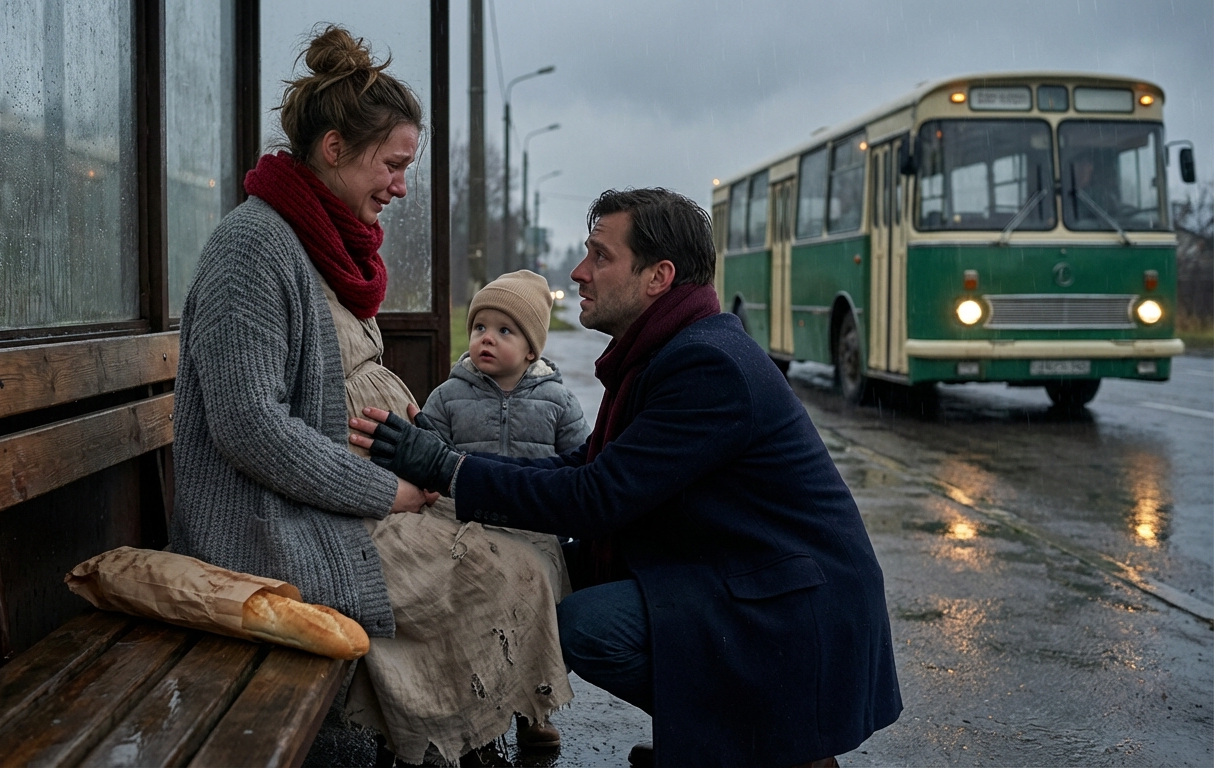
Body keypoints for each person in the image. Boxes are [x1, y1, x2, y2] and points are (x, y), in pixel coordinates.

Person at [352, 188, 903, 767]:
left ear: (658, 276)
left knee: (585, 624)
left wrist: (444, 467)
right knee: (558, 575)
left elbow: (597, 497)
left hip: (793, 609)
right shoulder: (669, 349)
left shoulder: (706, 365)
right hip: (744, 574)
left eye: (600, 255)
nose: (579, 271)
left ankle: (773, 747)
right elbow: (588, 465)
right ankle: (727, 738)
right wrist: (456, 470)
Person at [169, 26, 571, 765]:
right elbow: (247, 426)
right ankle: (449, 745)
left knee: (526, 547)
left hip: (330, 502)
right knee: (501, 572)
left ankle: (455, 740)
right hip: (272, 527)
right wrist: (382, 489)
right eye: (392, 164)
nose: (401, 185)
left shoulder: (316, 240)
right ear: (333, 150)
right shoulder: (253, 247)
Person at [418, 269, 591, 748]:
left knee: (540, 618)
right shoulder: (449, 396)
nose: (486, 339)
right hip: (467, 527)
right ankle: (477, 710)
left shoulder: (557, 401)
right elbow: (427, 451)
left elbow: (582, 465)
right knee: (475, 618)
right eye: (479, 328)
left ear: (532, 349)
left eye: (504, 330)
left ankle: (535, 710)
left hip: (536, 530)